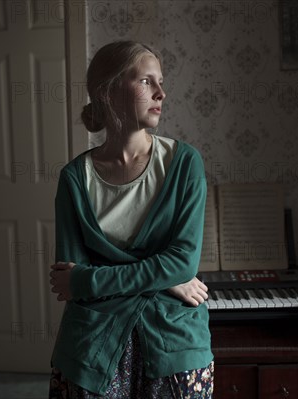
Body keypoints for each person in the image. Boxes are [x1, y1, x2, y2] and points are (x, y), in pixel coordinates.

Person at [48, 40, 214, 399]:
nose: (161, 93)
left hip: (175, 341)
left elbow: (183, 262)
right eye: (146, 81)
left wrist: (95, 278)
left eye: (161, 81)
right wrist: (167, 279)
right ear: (108, 91)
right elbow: (69, 282)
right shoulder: (75, 178)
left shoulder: (185, 163)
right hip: (91, 348)